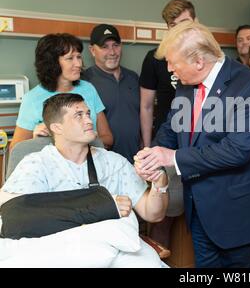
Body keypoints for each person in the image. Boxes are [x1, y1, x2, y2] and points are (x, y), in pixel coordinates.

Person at [134, 21, 250, 268]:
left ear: (198, 62)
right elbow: (172, 128)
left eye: (173, 62)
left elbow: (238, 150)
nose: (169, 69)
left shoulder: (249, 85)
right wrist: (151, 156)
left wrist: (172, 158)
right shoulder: (185, 84)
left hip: (242, 216)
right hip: (201, 213)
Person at [1, 93, 168, 224]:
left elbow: (152, 214)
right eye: (79, 115)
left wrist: (159, 184)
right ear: (57, 127)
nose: (89, 120)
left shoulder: (114, 163)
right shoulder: (37, 165)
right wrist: (102, 207)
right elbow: (12, 212)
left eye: (88, 113)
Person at [139, 0, 196, 247]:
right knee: (163, 216)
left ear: (195, 21)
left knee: (202, 215)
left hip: (200, 147)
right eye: (174, 25)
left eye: (184, 22)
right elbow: (146, 105)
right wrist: (149, 147)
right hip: (167, 145)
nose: (180, 29)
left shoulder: (211, 59)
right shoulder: (156, 58)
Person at [9, 33, 113, 150]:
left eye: (78, 57)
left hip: (89, 163)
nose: (78, 64)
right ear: (52, 63)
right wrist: (36, 140)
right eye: (70, 58)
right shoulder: (32, 99)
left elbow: (108, 138)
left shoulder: (88, 89)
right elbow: (15, 151)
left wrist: (83, 139)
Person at [82, 24, 140, 163]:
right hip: (103, 163)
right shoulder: (85, 82)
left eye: (116, 45)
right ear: (92, 50)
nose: (112, 52)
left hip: (136, 159)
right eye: (104, 47)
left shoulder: (133, 77)